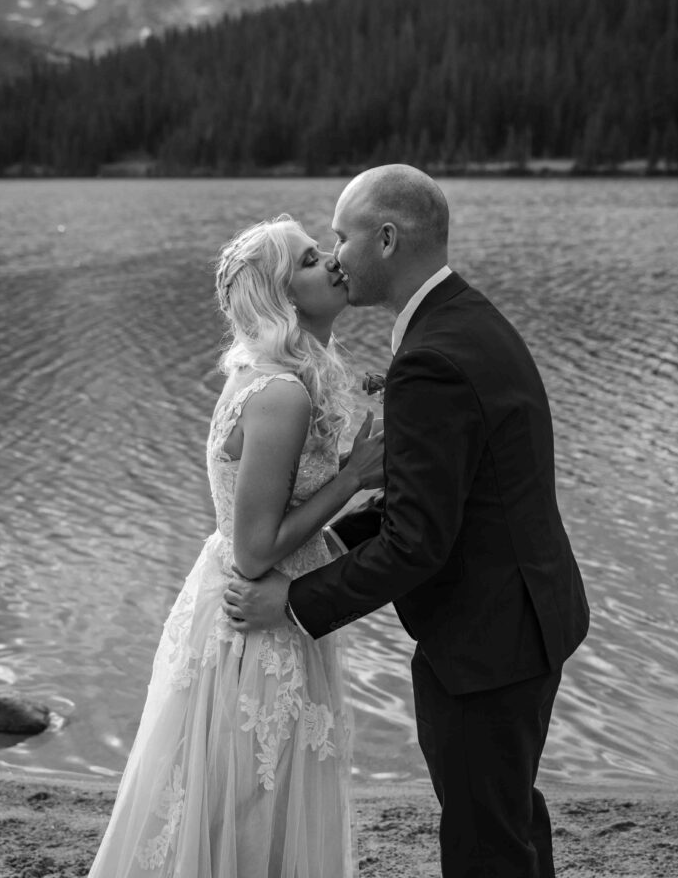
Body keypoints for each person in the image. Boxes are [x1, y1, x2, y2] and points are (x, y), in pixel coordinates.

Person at [225, 165, 590, 878]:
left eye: (340, 237)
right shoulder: (462, 319)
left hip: (488, 640)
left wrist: (293, 600)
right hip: (520, 616)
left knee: (484, 843)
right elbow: (433, 500)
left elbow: (418, 542)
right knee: (506, 816)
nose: (334, 256)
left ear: (386, 238)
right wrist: (325, 539)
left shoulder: (432, 357)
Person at [88, 214, 384, 878]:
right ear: (281, 297)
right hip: (257, 624)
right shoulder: (278, 393)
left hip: (270, 613)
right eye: (310, 259)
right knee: (249, 813)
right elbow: (254, 551)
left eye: (324, 249)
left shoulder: (284, 374)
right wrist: (353, 481)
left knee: (250, 809)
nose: (333, 261)